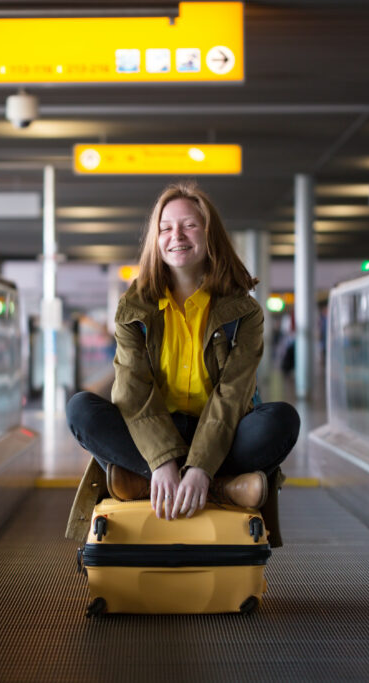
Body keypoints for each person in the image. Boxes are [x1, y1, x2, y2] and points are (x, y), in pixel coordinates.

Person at [64, 182, 300, 546]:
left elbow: (233, 394)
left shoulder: (244, 311)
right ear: (155, 239)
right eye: (165, 227)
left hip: (223, 435)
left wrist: (201, 466)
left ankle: (157, 483)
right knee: (81, 409)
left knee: (282, 420)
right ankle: (219, 487)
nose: (177, 235)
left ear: (209, 235)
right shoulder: (134, 308)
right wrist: (161, 462)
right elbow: (132, 391)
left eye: (189, 225)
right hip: (155, 433)